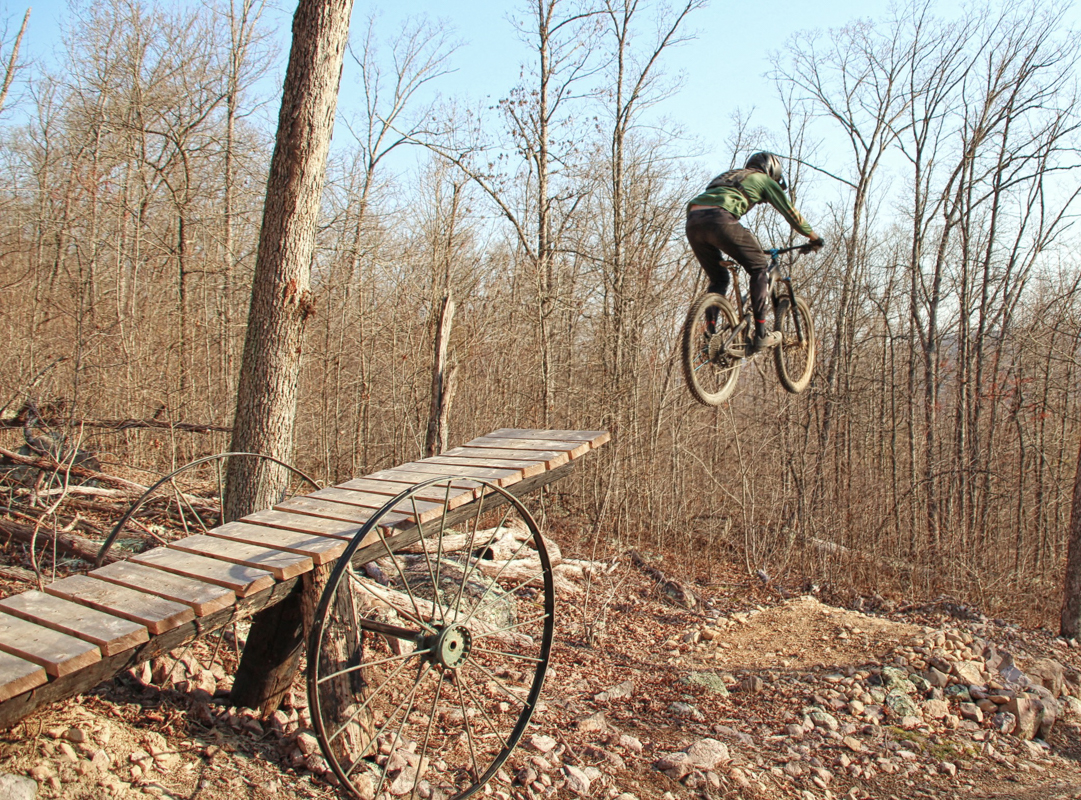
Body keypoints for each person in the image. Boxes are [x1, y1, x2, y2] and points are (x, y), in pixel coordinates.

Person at [685, 152, 824, 352]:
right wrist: (814, 238)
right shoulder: (764, 180)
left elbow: (714, 198)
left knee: (719, 279)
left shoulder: (729, 175)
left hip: (693, 221)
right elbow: (791, 214)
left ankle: (711, 334)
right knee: (759, 267)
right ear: (771, 171)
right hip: (720, 219)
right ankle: (760, 333)